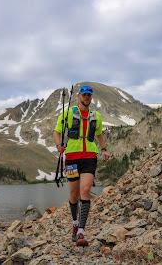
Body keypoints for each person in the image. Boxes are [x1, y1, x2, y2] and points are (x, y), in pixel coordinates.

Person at [53, 85, 110, 246]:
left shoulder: (96, 116)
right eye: (84, 95)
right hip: (71, 157)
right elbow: (57, 131)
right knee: (74, 194)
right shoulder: (68, 113)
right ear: (78, 96)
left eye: (89, 95)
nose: (87, 97)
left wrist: (104, 150)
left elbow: (98, 134)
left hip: (89, 157)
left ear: (91, 97)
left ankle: (81, 232)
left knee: (85, 190)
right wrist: (59, 146)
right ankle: (75, 222)